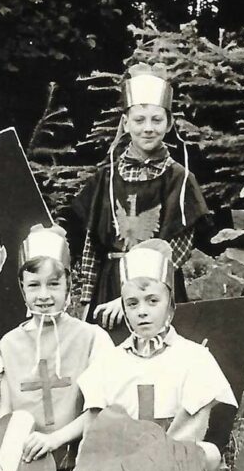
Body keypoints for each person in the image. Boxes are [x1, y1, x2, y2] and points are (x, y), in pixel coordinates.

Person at [72, 239, 236, 471]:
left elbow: (192, 429)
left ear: (169, 304)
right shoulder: (108, 363)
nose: (142, 311)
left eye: (152, 301)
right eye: (132, 303)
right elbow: (95, 438)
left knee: (209, 454)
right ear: (124, 309)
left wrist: (159, 466)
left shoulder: (194, 358)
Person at [70, 63, 210, 330]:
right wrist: (87, 298)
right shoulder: (107, 177)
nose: (148, 128)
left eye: (156, 120)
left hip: (157, 292)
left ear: (169, 123)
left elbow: (176, 253)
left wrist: (132, 298)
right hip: (109, 289)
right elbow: (91, 246)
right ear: (125, 123)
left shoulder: (179, 179)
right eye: (139, 120)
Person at [0, 223, 114, 471]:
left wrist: (54, 439)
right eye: (34, 285)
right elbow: (6, 412)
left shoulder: (92, 338)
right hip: (27, 463)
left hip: (81, 462)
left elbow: (100, 410)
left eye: (53, 284)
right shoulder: (9, 344)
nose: (44, 295)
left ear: (68, 285)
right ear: (22, 288)